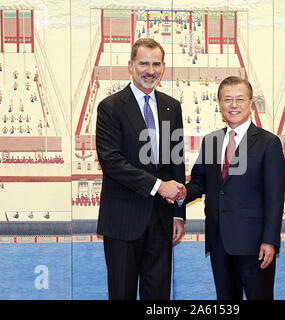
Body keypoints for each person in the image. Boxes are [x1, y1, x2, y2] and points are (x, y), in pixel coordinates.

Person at [177, 76, 285, 300]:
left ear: (250, 103)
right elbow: (200, 182)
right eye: (227, 100)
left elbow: (275, 198)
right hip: (219, 242)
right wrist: (179, 193)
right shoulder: (211, 141)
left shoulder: (268, 143)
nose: (233, 105)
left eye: (239, 99)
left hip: (255, 245)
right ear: (219, 104)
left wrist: (270, 240)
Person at [95, 38, 186, 300]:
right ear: (131, 66)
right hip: (122, 220)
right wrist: (159, 186)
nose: (150, 70)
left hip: (161, 220)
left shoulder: (172, 107)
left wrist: (178, 213)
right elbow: (111, 161)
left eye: (156, 64)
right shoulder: (111, 107)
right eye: (143, 63)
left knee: (158, 297)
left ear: (163, 67)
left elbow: (175, 162)